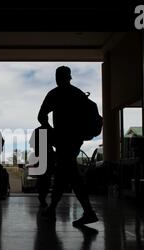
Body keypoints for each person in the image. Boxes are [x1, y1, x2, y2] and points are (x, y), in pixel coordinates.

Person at [37, 66, 98, 226]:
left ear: (57, 78)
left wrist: (52, 131)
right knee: (65, 173)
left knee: (68, 174)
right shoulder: (78, 94)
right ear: (70, 77)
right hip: (75, 140)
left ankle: (87, 212)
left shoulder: (54, 94)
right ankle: (54, 209)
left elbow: (41, 116)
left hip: (63, 140)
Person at [29, 125, 55, 207]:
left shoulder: (37, 130)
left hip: (44, 157)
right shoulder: (50, 129)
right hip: (48, 156)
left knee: (43, 178)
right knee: (46, 179)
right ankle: (42, 196)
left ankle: (42, 196)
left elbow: (32, 143)